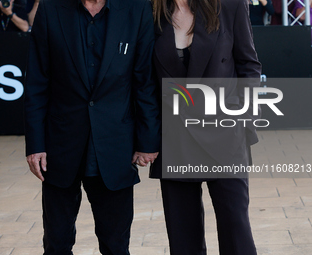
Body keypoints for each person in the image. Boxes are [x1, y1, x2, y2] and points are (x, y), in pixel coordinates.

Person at [24, 0, 160, 253]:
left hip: (115, 145)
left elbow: (144, 82)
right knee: (56, 244)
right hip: (60, 147)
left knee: (116, 246)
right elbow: (36, 82)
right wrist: (35, 144)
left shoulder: (136, 8)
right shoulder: (51, 9)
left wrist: (147, 140)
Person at [150, 0, 262, 254]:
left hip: (225, 134)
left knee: (236, 230)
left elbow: (249, 65)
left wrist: (244, 123)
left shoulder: (230, 6)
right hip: (175, 137)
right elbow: (144, 80)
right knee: (183, 237)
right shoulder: (150, 13)